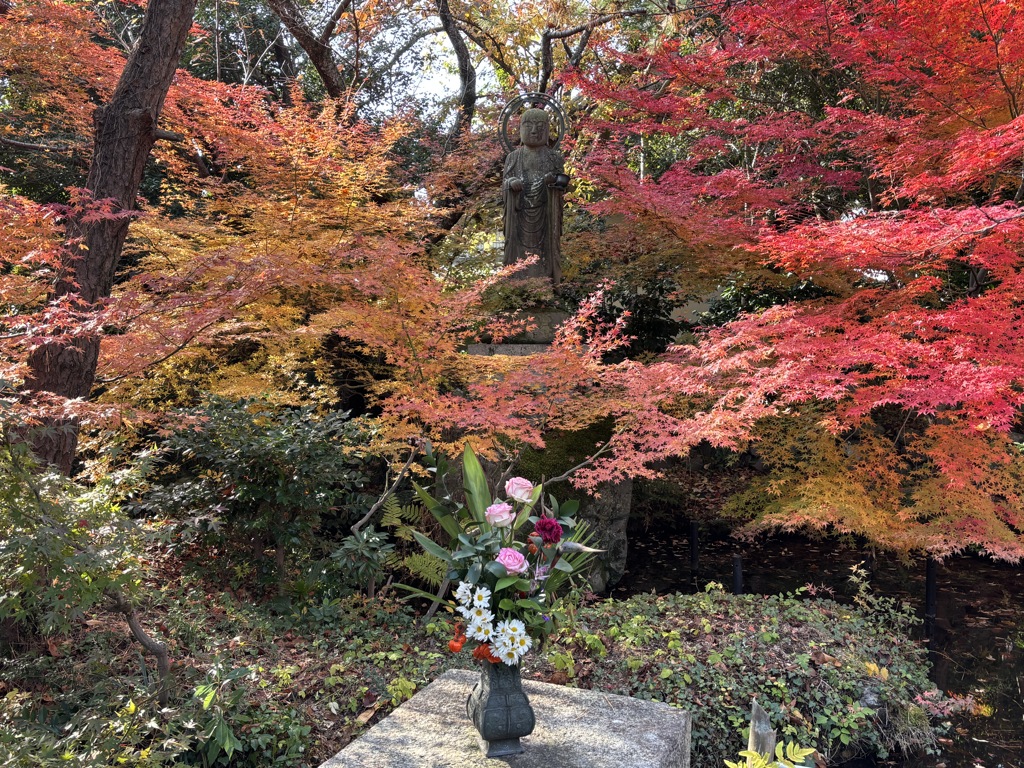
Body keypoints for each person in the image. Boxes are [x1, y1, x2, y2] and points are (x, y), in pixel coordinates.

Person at [502, 108, 567, 284]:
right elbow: (505, 184)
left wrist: (552, 182)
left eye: (540, 127)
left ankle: (545, 283)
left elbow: (563, 186)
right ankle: (517, 284)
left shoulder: (554, 158)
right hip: (518, 214)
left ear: (547, 131)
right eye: (528, 126)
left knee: (546, 250)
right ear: (520, 129)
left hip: (546, 216)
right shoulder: (513, 157)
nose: (533, 131)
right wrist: (511, 183)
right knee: (517, 253)